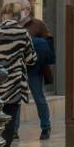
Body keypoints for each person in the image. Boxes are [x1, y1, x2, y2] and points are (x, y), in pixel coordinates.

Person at [0, 2, 37, 147]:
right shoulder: (22, 32)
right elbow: (30, 58)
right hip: (14, 82)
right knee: (10, 118)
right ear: (19, 16)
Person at [23, 9, 54, 140]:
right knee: (15, 99)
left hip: (34, 68)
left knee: (38, 97)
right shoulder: (13, 25)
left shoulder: (38, 24)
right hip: (17, 68)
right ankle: (13, 130)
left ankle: (45, 127)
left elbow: (49, 43)